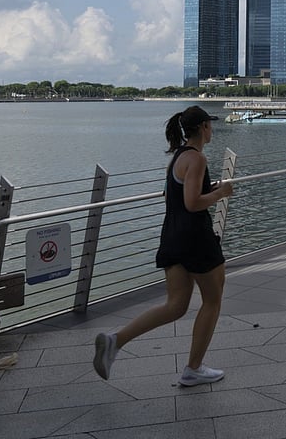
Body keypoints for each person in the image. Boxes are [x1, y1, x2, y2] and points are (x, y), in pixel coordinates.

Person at [93, 105, 234, 386]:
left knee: (176, 305)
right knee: (213, 300)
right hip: (196, 239)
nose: (212, 129)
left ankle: (115, 341)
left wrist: (207, 189)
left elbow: (173, 196)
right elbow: (192, 204)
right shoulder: (196, 159)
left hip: (172, 236)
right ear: (203, 127)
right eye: (210, 125)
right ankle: (194, 368)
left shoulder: (177, 158)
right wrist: (220, 192)